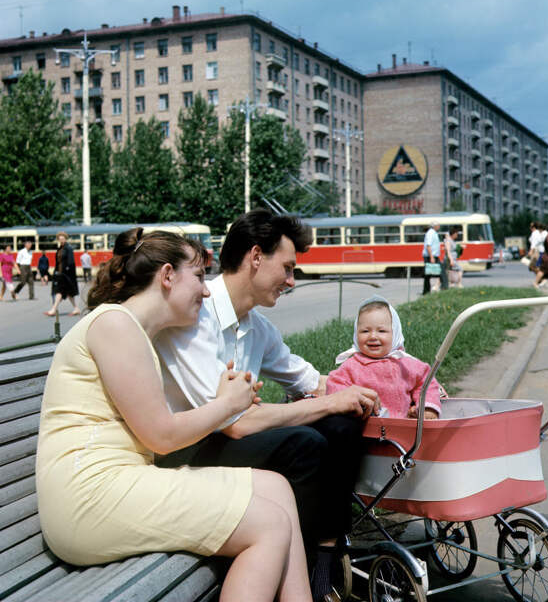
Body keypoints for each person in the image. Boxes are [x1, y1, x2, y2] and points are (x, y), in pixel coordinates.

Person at [36, 227, 312, 602]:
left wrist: (225, 403)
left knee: (277, 489)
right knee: (269, 525)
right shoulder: (114, 325)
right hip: (88, 498)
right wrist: (228, 405)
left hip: (112, 485)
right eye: (198, 276)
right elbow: (161, 436)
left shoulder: (129, 329)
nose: (205, 289)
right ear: (167, 276)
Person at [154, 208, 380, 602]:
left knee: (342, 424)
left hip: (225, 439)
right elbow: (234, 423)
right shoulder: (195, 317)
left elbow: (315, 382)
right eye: (288, 268)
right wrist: (327, 404)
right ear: (256, 257)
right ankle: (303, 571)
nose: (292, 281)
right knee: (304, 444)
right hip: (184, 452)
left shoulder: (256, 326)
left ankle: (326, 554)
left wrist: (395, 388)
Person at [327, 296, 444, 419]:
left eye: (381, 331)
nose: (373, 336)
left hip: (404, 428)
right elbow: (335, 387)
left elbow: (426, 383)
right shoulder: (351, 366)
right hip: (365, 429)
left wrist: (427, 408)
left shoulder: (406, 365)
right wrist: (351, 405)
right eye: (365, 331)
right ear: (356, 334)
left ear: (395, 334)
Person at [45, 232, 80, 317]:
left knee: (62, 292)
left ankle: (54, 309)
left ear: (65, 239)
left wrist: (68, 272)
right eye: (60, 239)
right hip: (60, 274)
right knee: (64, 292)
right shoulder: (60, 249)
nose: (61, 240)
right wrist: (56, 272)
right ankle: (75, 308)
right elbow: (58, 262)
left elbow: (71, 262)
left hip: (66, 275)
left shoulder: (68, 248)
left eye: (62, 239)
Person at [422, 221, 448, 294]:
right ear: (434, 226)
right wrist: (431, 257)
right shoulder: (430, 233)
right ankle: (445, 288)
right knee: (441, 271)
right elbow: (428, 245)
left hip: (433, 256)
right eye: (438, 225)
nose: (439, 226)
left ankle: (426, 291)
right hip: (431, 256)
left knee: (429, 274)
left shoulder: (433, 233)